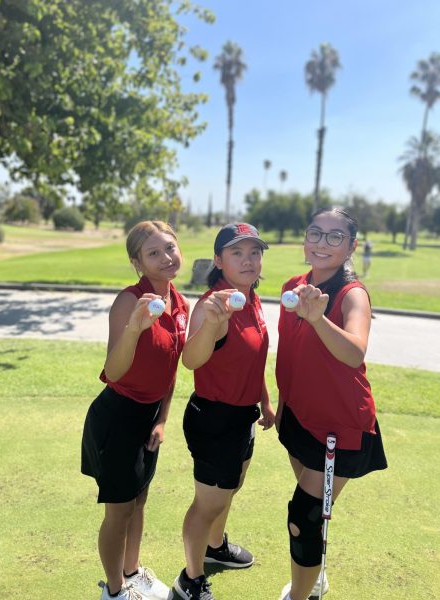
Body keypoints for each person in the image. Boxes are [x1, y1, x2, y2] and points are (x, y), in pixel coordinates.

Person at [275, 207, 387, 600]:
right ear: (305, 241)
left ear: (351, 246)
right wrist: (280, 405)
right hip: (299, 418)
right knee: (314, 511)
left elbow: (355, 352)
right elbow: (290, 353)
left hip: (340, 428)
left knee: (303, 518)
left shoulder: (352, 294)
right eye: (316, 233)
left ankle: (302, 594)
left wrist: (319, 318)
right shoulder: (294, 284)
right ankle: (314, 574)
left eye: (335, 236)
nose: (323, 243)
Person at [81, 220, 190, 600]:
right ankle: (115, 591)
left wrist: (162, 420)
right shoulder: (130, 300)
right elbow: (113, 371)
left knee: (139, 498)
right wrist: (134, 329)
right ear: (137, 262)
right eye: (154, 253)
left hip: (147, 418)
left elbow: (171, 370)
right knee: (119, 511)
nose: (166, 257)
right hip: (117, 416)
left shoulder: (180, 303)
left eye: (170, 248)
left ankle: (132, 571)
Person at [174, 223, 275, 600]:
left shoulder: (250, 297)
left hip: (242, 415)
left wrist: (264, 400)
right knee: (208, 503)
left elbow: (253, 357)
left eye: (254, 252)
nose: (248, 260)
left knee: (231, 488)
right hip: (214, 417)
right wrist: (211, 326)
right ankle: (190, 577)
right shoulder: (212, 304)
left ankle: (216, 547)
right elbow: (191, 360)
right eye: (237, 253)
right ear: (219, 260)